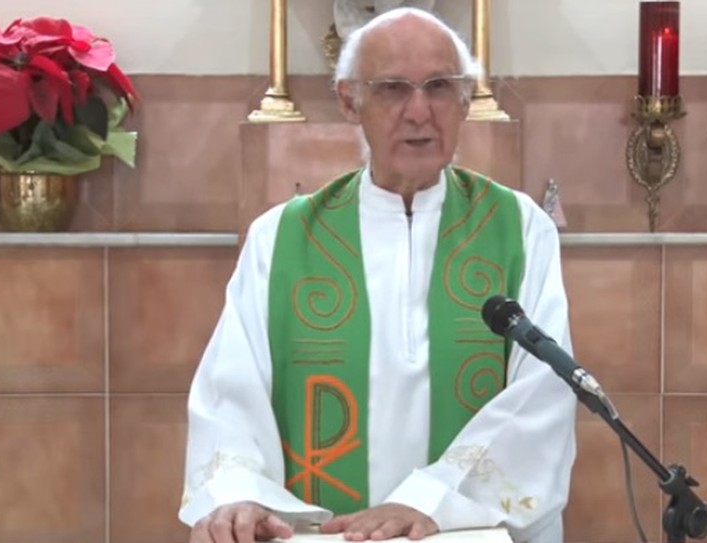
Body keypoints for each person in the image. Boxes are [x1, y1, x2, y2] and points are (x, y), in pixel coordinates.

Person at [180, 7, 577, 543]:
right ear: (350, 101)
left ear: (464, 100)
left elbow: (543, 392)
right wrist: (238, 493)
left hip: (465, 533)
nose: (420, 111)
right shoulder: (282, 237)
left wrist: (429, 503)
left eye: (439, 86)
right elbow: (232, 389)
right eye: (392, 89)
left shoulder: (519, 228)